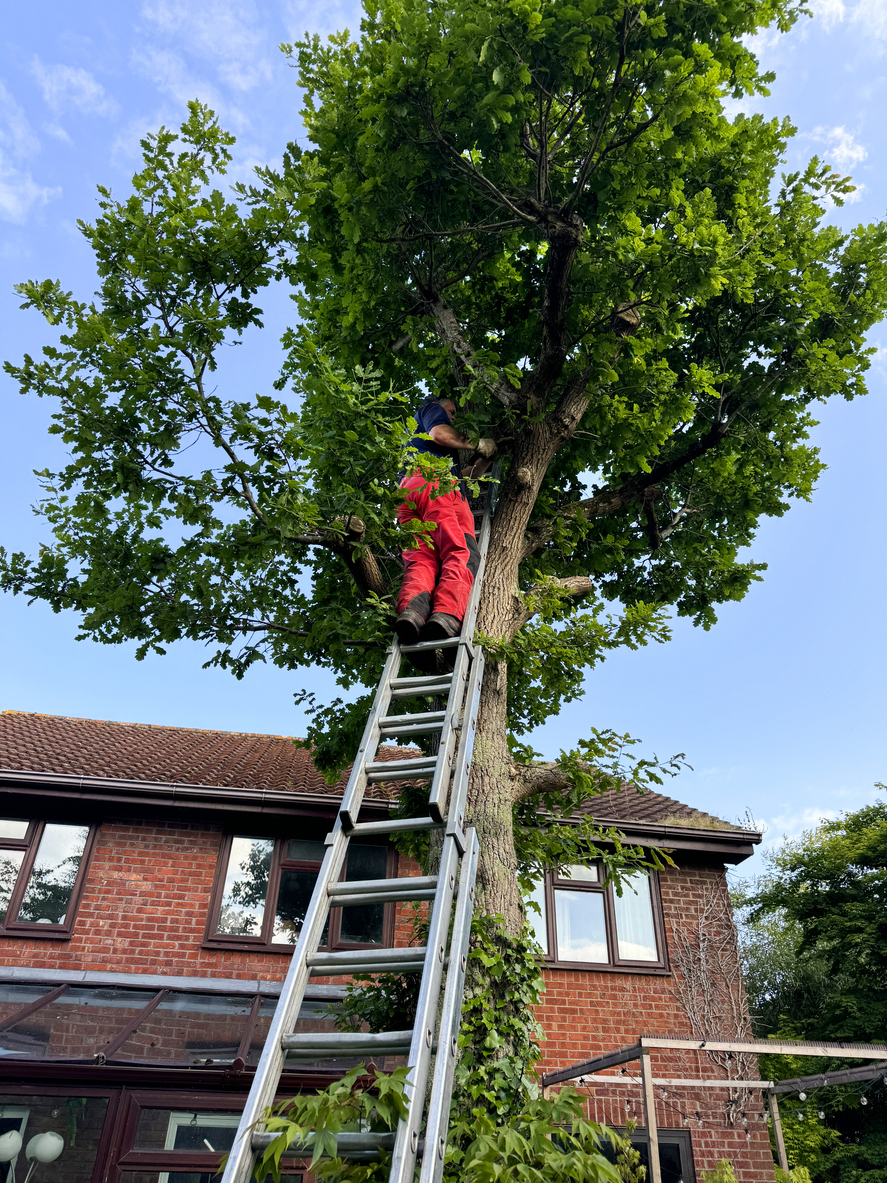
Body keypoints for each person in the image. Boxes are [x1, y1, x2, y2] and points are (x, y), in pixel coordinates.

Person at [395, 396, 496, 645]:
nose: (452, 417)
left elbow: (468, 476)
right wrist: (477, 443)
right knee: (461, 551)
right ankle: (447, 614)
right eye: (451, 411)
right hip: (437, 485)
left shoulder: (419, 446)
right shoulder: (431, 412)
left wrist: (487, 456)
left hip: (409, 490)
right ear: (438, 406)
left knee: (421, 559)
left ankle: (412, 613)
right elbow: (440, 433)